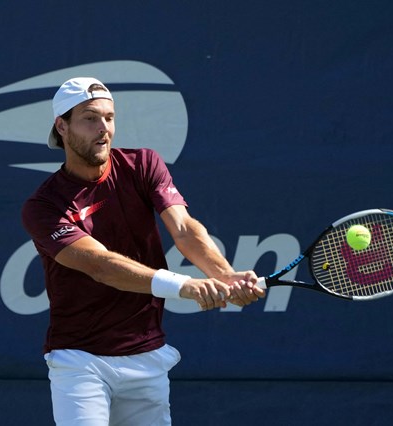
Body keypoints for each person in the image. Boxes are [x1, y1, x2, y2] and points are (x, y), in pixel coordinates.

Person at [21, 77, 265, 426]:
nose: (103, 128)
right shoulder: (43, 207)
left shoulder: (144, 165)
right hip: (80, 361)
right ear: (62, 126)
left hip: (147, 356)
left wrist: (224, 275)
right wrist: (185, 286)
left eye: (109, 117)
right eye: (90, 118)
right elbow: (100, 265)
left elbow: (184, 228)